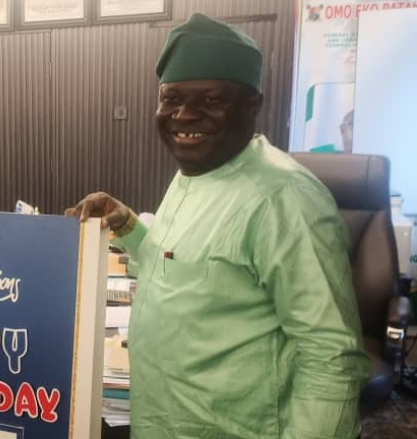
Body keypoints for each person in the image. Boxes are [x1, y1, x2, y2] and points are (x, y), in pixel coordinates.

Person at [67, 14, 369, 438]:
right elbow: (181, 267)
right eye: (171, 99)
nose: (184, 116)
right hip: (166, 420)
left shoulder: (284, 198)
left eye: (210, 100)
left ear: (252, 107)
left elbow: (330, 357)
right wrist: (126, 223)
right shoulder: (196, 171)